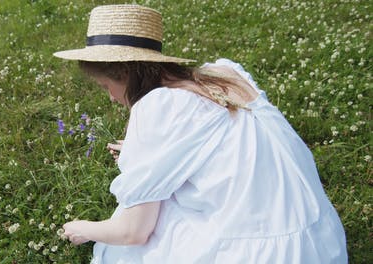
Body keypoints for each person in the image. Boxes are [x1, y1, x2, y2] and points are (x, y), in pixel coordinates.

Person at [53, 4, 348, 263]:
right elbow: (216, 138)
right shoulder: (225, 75)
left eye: (106, 87)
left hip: (254, 255)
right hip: (316, 243)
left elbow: (134, 232)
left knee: (148, 220)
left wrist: (85, 228)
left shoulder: (156, 107)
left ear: (126, 73)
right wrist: (142, 149)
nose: (110, 98)